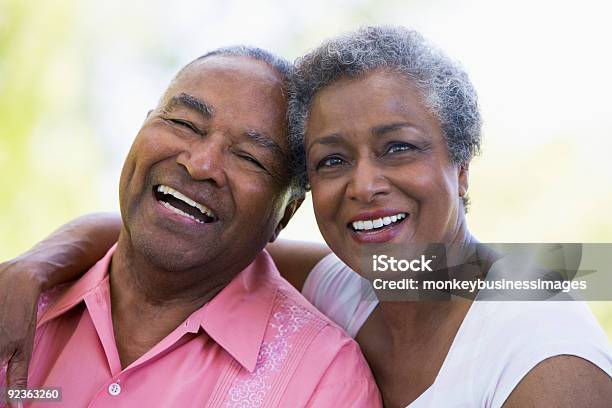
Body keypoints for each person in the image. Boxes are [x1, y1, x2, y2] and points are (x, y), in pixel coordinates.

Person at [2, 26, 611, 407]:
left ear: (463, 165)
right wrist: (32, 267)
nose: (365, 184)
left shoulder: (544, 348)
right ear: (301, 201)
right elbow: (181, 236)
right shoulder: (352, 286)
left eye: (399, 146)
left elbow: (570, 276)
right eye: (332, 159)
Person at [0, 46, 381, 407]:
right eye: (184, 123)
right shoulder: (21, 305)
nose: (201, 164)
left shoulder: (322, 380)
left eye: (250, 157)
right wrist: (35, 264)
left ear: (285, 215)